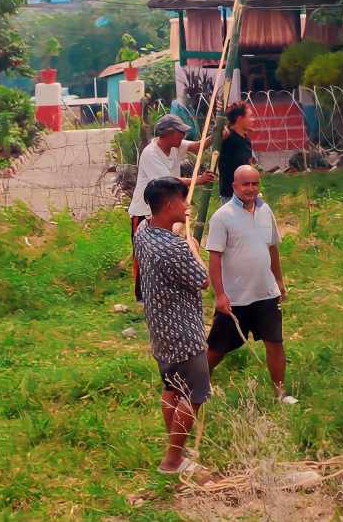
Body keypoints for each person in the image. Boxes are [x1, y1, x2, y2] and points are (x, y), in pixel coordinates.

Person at [132, 177, 210, 476]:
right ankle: (173, 461)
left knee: (171, 389)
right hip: (184, 333)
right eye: (181, 200)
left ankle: (174, 446)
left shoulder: (142, 231)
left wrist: (182, 241)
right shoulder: (176, 249)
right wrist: (192, 249)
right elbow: (202, 280)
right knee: (194, 394)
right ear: (168, 205)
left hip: (160, 329)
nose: (186, 205)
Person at [205, 164, 295, 405]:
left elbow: (272, 248)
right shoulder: (222, 217)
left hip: (265, 292)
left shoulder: (266, 211)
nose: (251, 189)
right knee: (217, 348)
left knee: (275, 342)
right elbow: (214, 259)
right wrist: (220, 295)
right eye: (246, 184)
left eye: (255, 184)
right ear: (234, 186)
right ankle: (199, 385)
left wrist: (279, 281)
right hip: (235, 298)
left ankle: (280, 393)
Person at [129, 114, 206, 300]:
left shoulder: (174, 147)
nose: (182, 136)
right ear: (169, 133)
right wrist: (198, 180)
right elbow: (167, 182)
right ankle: (142, 294)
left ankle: (166, 284)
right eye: (180, 133)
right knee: (143, 252)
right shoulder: (151, 153)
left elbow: (197, 146)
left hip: (164, 210)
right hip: (144, 210)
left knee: (165, 247)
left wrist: (219, 134)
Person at [215, 101, 255, 200]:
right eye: (250, 116)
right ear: (240, 119)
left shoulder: (246, 140)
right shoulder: (227, 138)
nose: (253, 120)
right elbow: (217, 133)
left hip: (247, 194)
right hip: (231, 196)